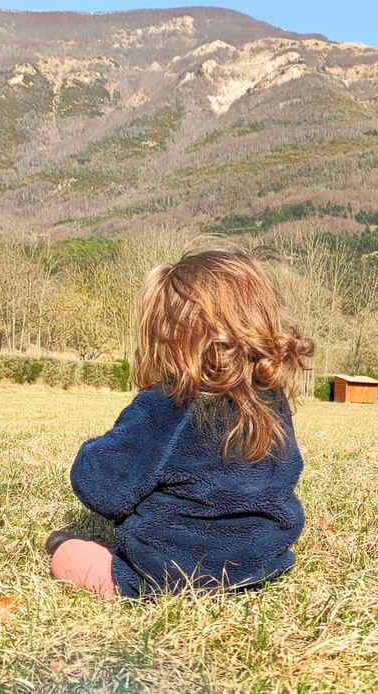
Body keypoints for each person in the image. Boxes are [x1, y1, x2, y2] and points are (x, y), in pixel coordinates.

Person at [47, 249, 313, 598]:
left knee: (66, 555)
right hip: (261, 566)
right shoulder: (273, 402)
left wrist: (94, 452)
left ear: (167, 338)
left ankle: (109, 565)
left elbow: (102, 488)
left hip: (167, 574)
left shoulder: (166, 405)